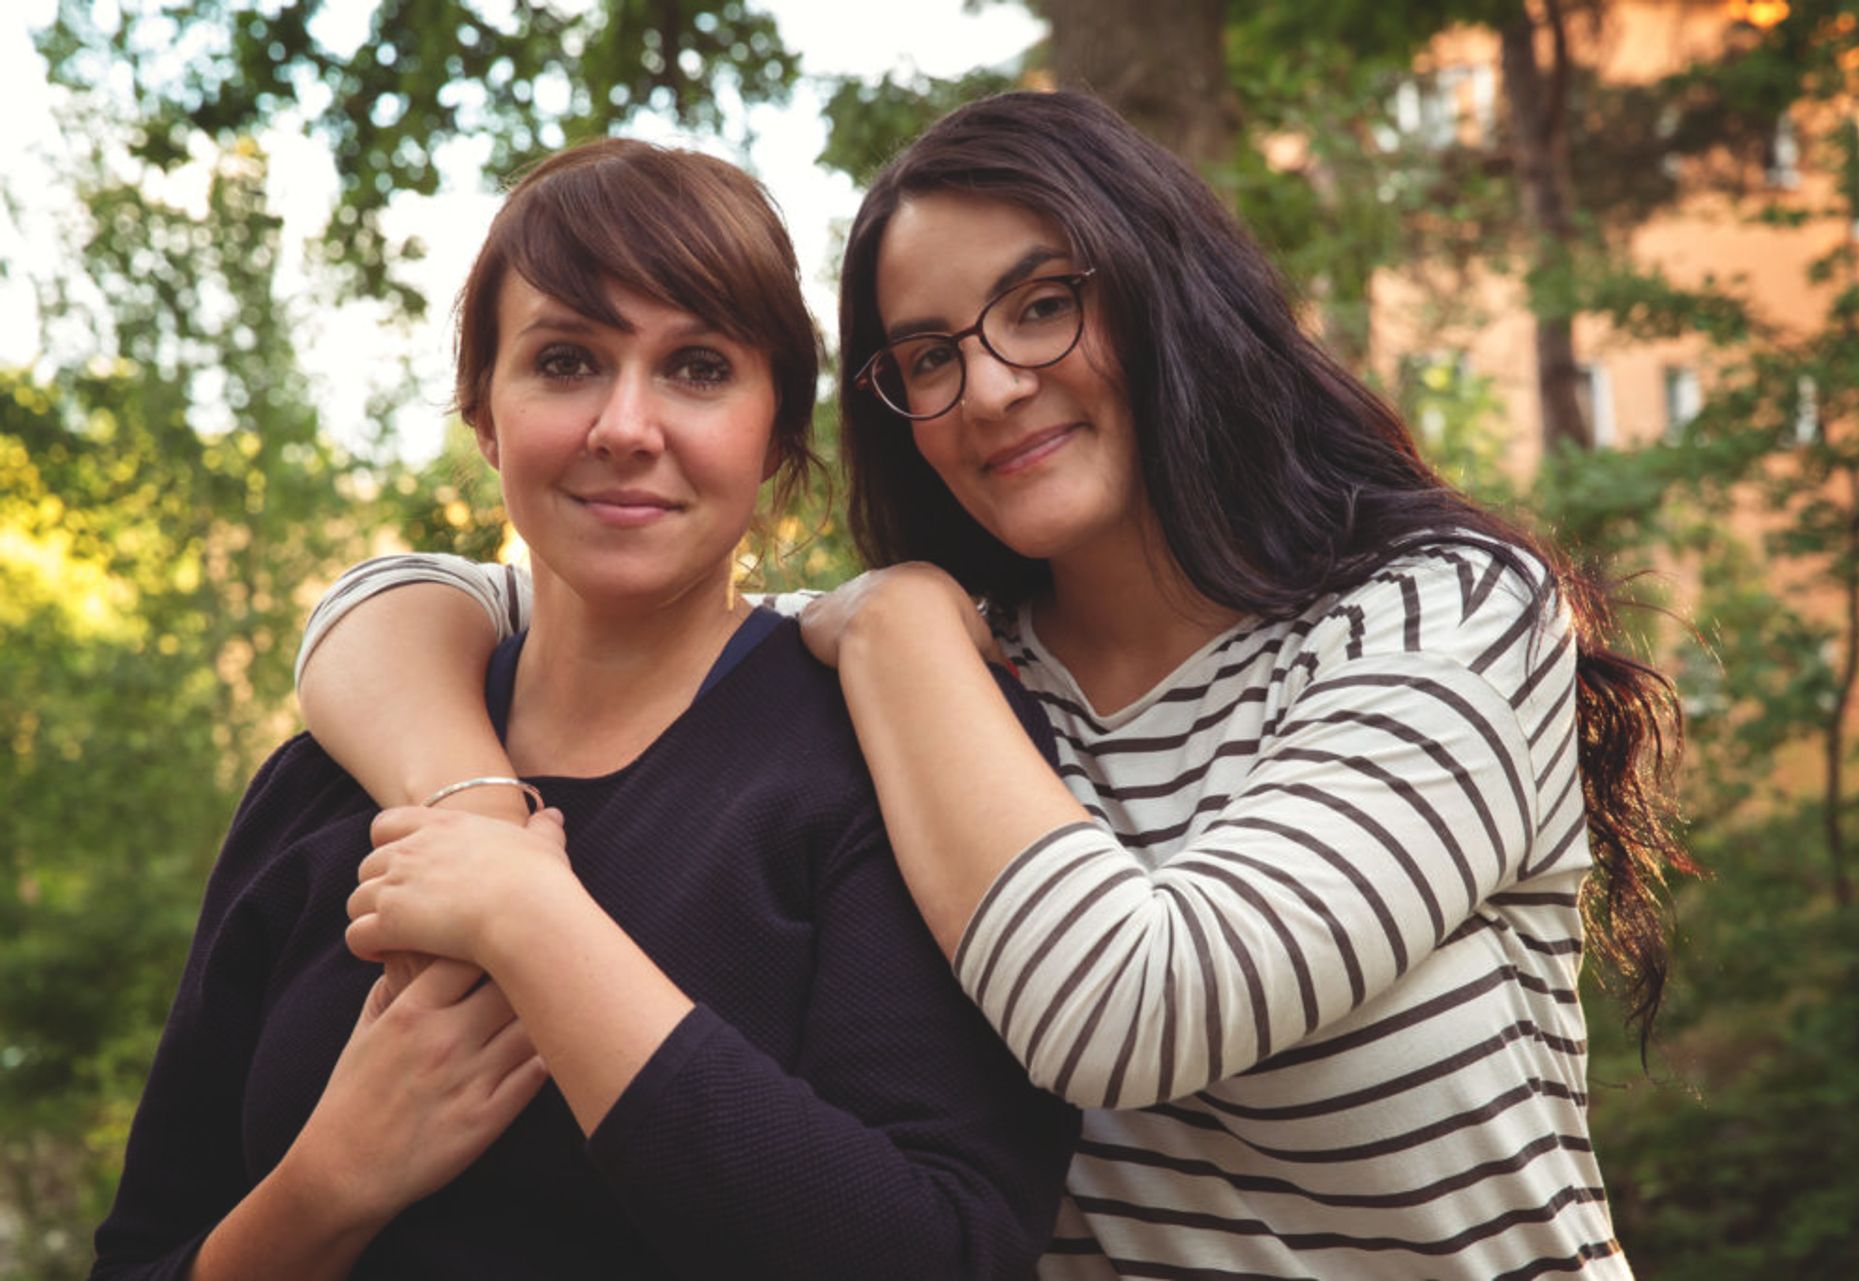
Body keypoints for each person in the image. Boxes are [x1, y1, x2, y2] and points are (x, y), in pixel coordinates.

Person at [289, 93, 1692, 1279]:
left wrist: (896, 620)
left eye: (1043, 306)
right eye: (930, 358)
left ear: (1170, 296)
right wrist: (473, 806)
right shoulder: (975, 665)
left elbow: (1132, 1011)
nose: (996, 387)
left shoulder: (1441, 615)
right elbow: (395, 608)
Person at [91, 136, 1077, 1281]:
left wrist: (533, 919)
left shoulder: (895, 749)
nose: (624, 426)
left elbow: (948, 1250)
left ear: (777, 436)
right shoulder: (322, 783)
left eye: (698, 368)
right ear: (485, 417)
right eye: (566, 361)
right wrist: (328, 1186)